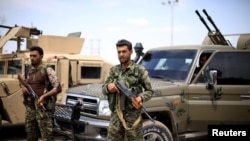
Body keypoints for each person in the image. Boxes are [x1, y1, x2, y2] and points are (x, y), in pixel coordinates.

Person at [102, 39, 153, 141]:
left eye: (124, 51)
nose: (121, 54)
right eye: (119, 52)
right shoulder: (113, 70)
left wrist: (140, 98)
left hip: (133, 118)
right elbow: (103, 89)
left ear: (131, 52)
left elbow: (150, 91)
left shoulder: (140, 70)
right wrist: (109, 87)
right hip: (116, 117)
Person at [21, 46, 61, 141]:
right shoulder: (29, 71)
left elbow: (58, 88)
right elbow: (25, 83)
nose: (32, 58)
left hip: (43, 108)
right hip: (30, 108)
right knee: (31, 135)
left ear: (41, 56)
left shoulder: (47, 69)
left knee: (47, 136)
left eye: (34, 56)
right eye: (30, 56)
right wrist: (23, 88)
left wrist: (44, 96)